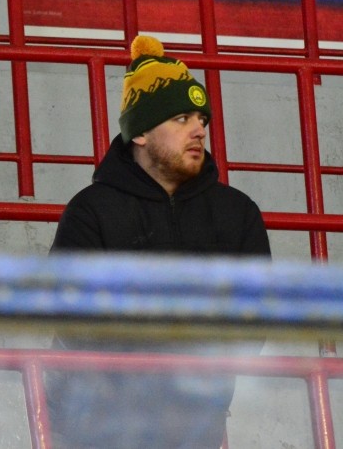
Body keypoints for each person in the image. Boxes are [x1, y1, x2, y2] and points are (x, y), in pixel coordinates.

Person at [45, 35, 272, 448]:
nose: (199, 130)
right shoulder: (91, 210)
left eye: (202, 120)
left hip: (195, 424)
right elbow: (73, 318)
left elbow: (255, 319)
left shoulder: (237, 212)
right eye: (181, 118)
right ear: (141, 134)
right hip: (97, 426)